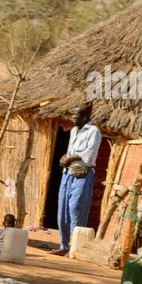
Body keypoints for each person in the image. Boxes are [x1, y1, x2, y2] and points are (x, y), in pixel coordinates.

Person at [52, 103, 101, 257]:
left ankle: (75, 247)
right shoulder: (74, 130)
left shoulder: (94, 132)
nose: (72, 117)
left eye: (76, 115)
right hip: (67, 173)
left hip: (82, 175)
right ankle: (63, 245)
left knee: (76, 209)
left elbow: (89, 154)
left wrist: (71, 158)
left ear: (85, 117)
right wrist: (65, 157)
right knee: (62, 210)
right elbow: (71, 151)